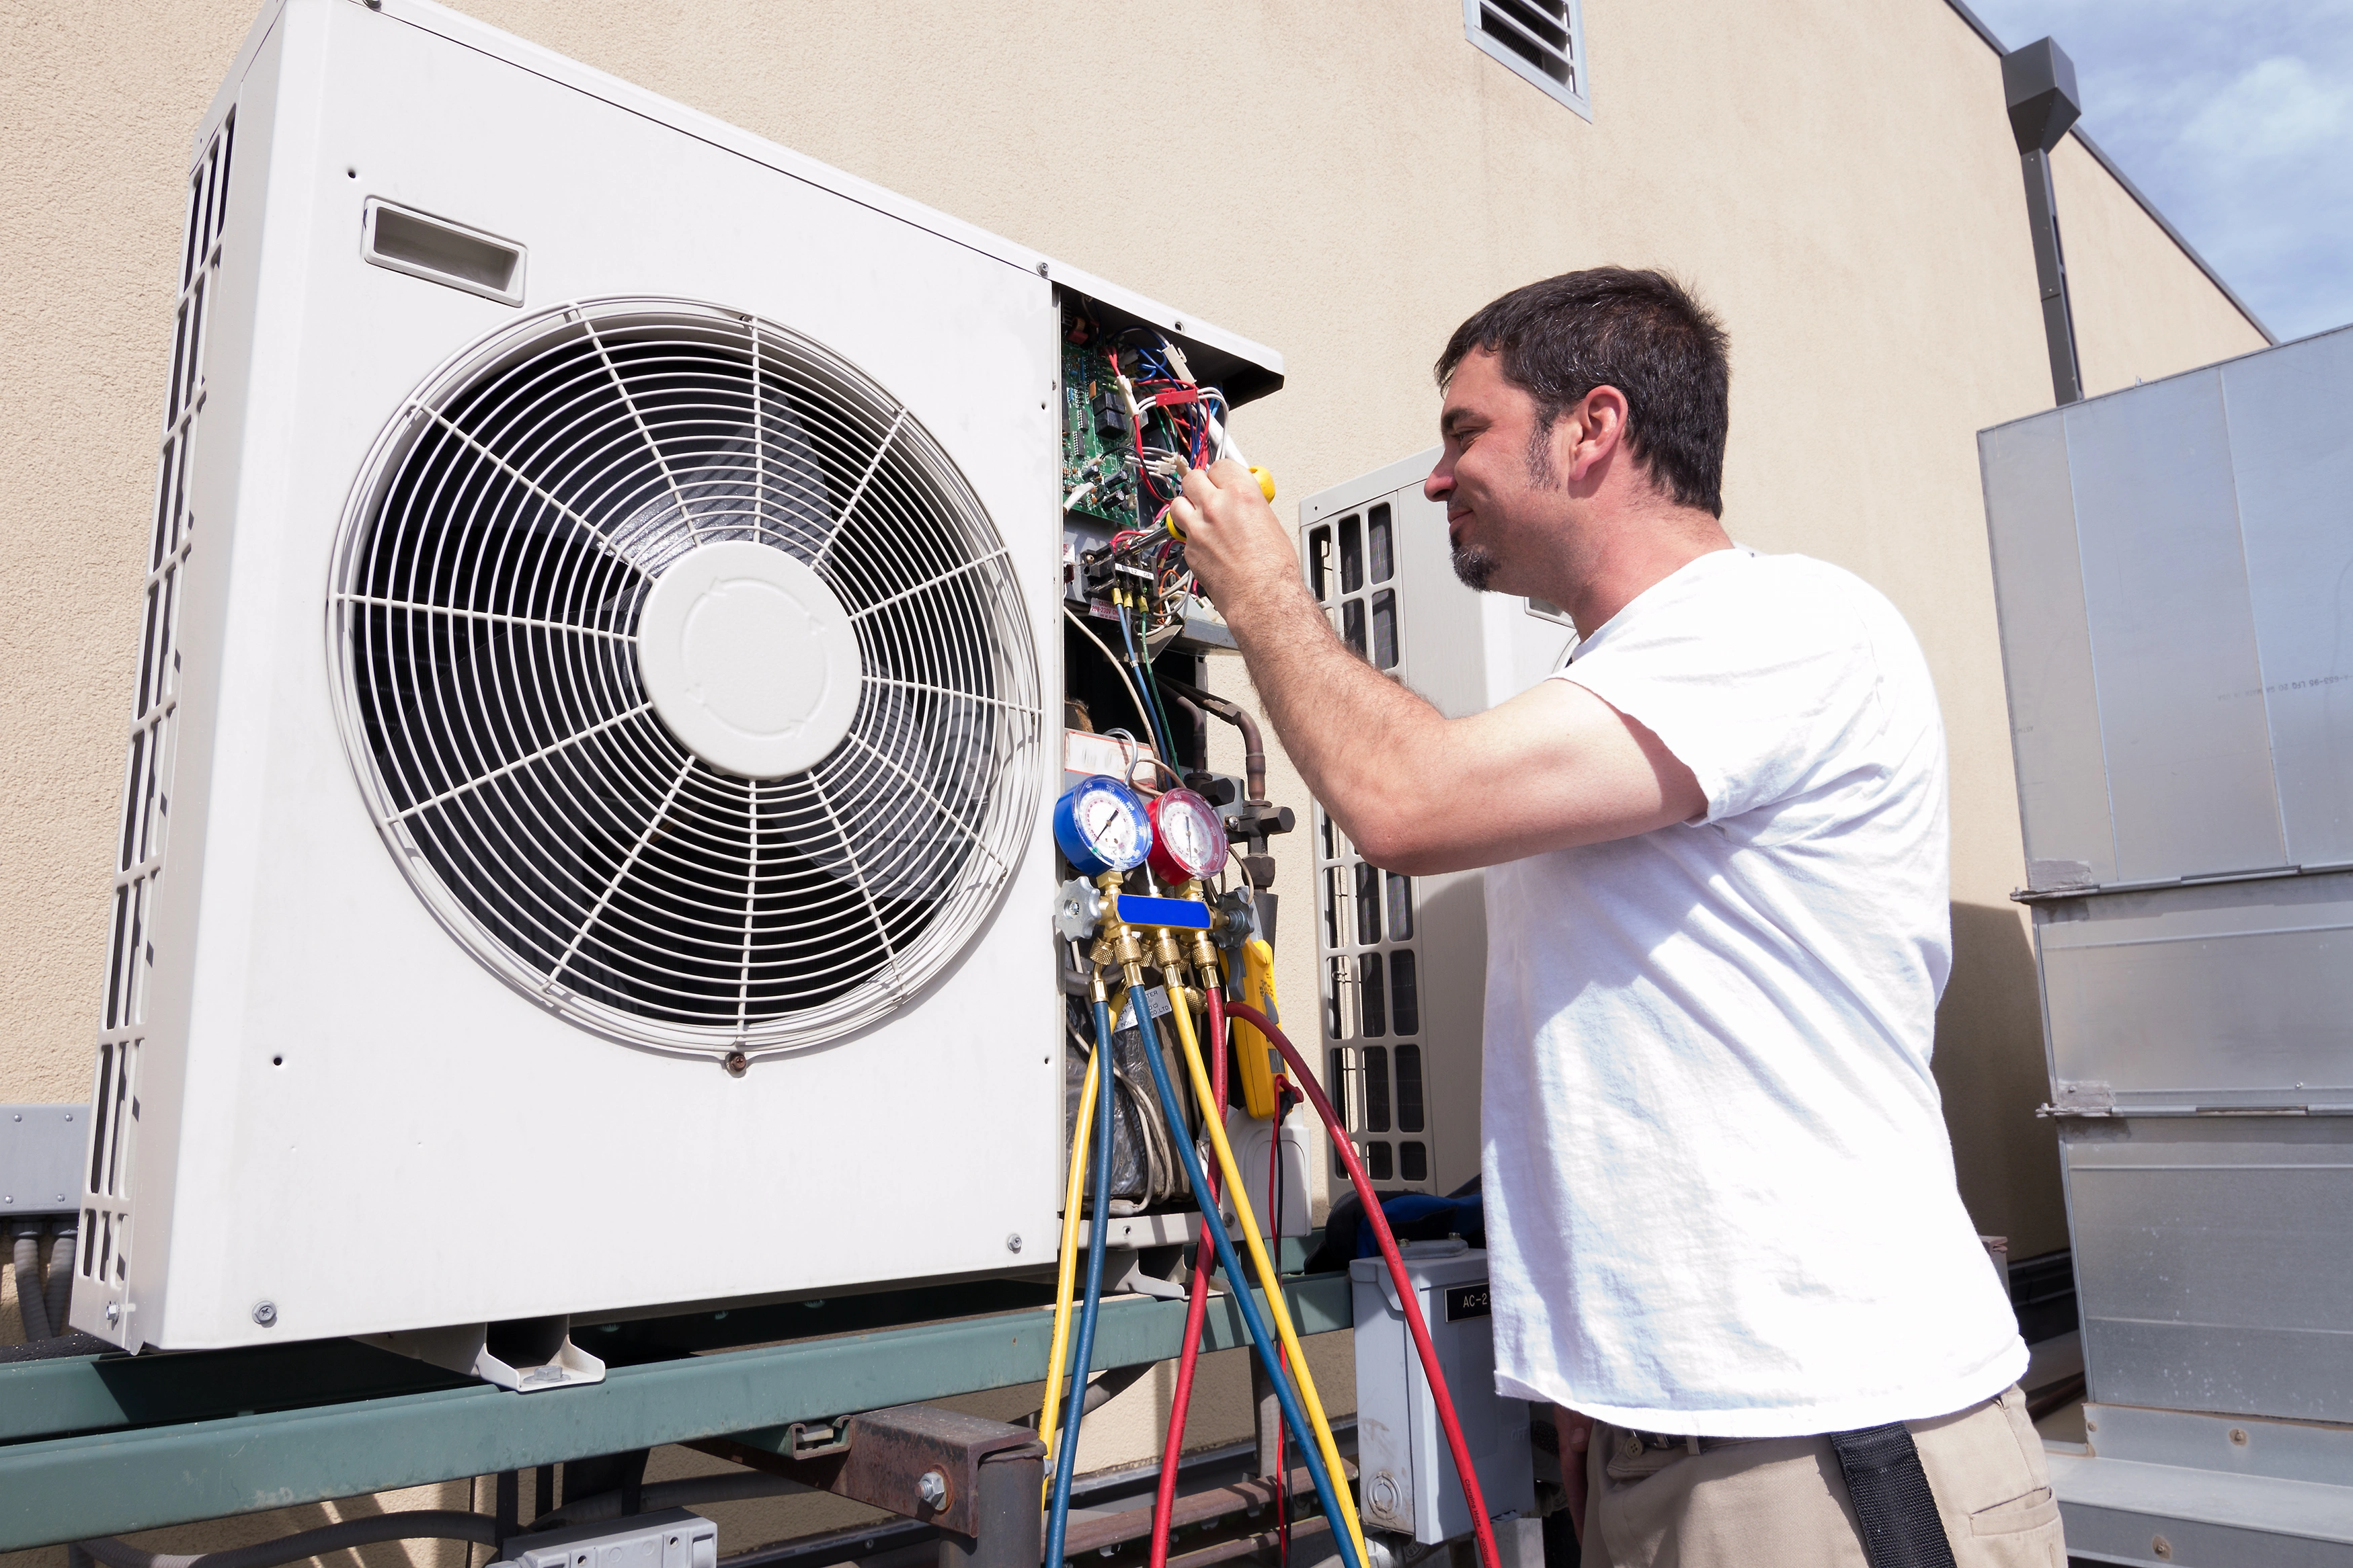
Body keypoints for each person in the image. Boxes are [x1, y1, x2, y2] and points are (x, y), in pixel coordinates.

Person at [1169, 269, 2063, 1567]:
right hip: (1672, 1439)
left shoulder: (1776, 626)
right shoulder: (1625, 687)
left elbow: (1403, 800)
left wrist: (1262, 597)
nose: (1434, 479)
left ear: (1593, 428)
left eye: (1464, 431)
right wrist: (1597, 1394)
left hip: (1828, 1445)